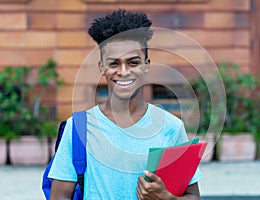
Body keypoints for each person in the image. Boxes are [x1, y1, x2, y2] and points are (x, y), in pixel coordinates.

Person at [48, 9, 202, 200]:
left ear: (146, 65)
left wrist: (166, 198)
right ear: (101, 67)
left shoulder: (170, 127)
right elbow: (59, 196)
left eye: (133, 62)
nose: (123, 71)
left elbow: (194, 196)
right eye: (114, 64)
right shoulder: (79, 127)